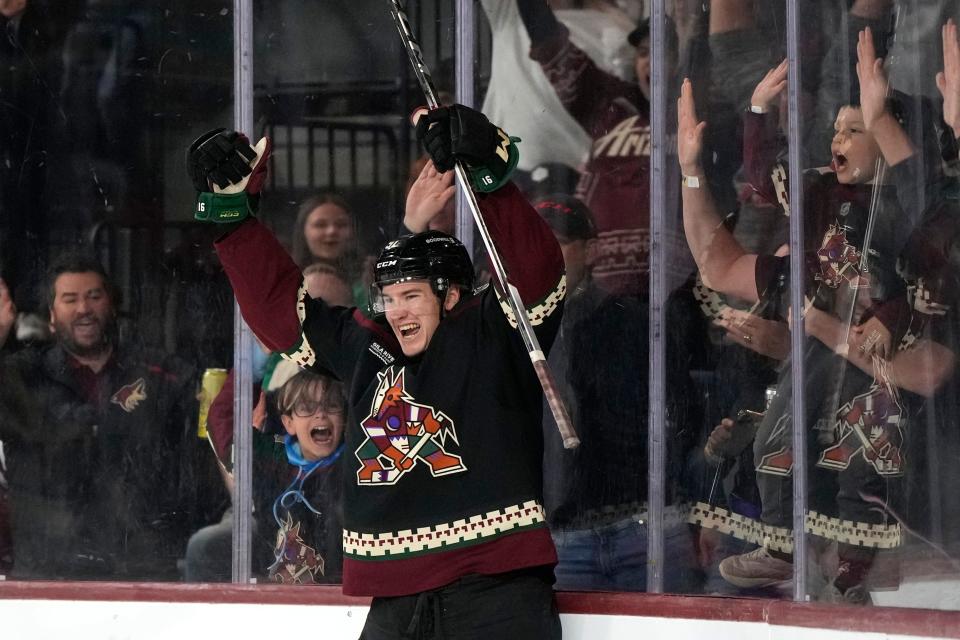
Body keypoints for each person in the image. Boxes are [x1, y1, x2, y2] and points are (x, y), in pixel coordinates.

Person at [187, 104, 565, 636]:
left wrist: (490, 175)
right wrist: (233, 222)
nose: (398, 310)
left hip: (496, 591)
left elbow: (536, 273)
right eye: (389, 297)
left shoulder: (492, 335)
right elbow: (280, 311)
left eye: (412, 295)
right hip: (395, 597)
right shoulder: (367, 345)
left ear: (453, 295)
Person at [677, 27, 957, 603]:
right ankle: (786, 545)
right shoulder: (817, 210)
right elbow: (720, 256)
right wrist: (703, 158)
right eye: (836, 128)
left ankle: (858, 558)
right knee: (773, 440)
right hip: (824, 385)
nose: (839, 139)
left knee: (864, 457)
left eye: (858, 128)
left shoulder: (921, 228)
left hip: (929, 537)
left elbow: (921, 356)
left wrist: (842, 326)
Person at [0, 254, 217, 579]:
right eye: (70, 299)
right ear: (51, 316)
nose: (84, 308)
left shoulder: (163, 374)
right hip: (47, 575)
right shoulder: (22, 376)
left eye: (94, 296)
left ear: (112, 305)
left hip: (142, 570)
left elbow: (211, 447)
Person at [534, 194, 700, 592]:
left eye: (554, 242)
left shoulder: (634, 323)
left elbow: (681, 419)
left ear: (590, 251)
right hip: (559, 540)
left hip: (643, 532)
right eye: (531, 243)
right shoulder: (506, 333)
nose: (541, 255)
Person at [290, 193, 372, 309]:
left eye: (341, 225)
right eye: (320, 225)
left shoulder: (370, 277)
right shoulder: (287, 280)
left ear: (353, 231)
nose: (331, 231)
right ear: (303, 232)